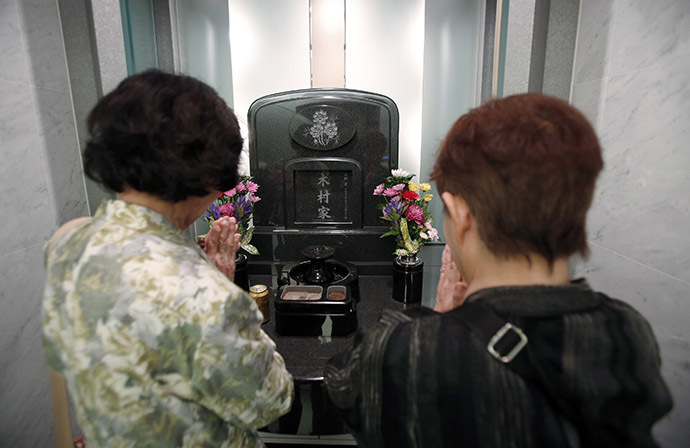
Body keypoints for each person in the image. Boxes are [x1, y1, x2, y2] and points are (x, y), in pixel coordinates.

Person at [324, 93, 672, 447]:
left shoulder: (405, 349)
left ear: (461, 216)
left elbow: (341, 385)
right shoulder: (628, 331)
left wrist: (438, 319)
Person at [42, 70, 293, 447]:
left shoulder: (69, 244)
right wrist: (225, 297)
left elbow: (62, 354)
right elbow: (270, 400)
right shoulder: (202, 296)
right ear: (208, 169)